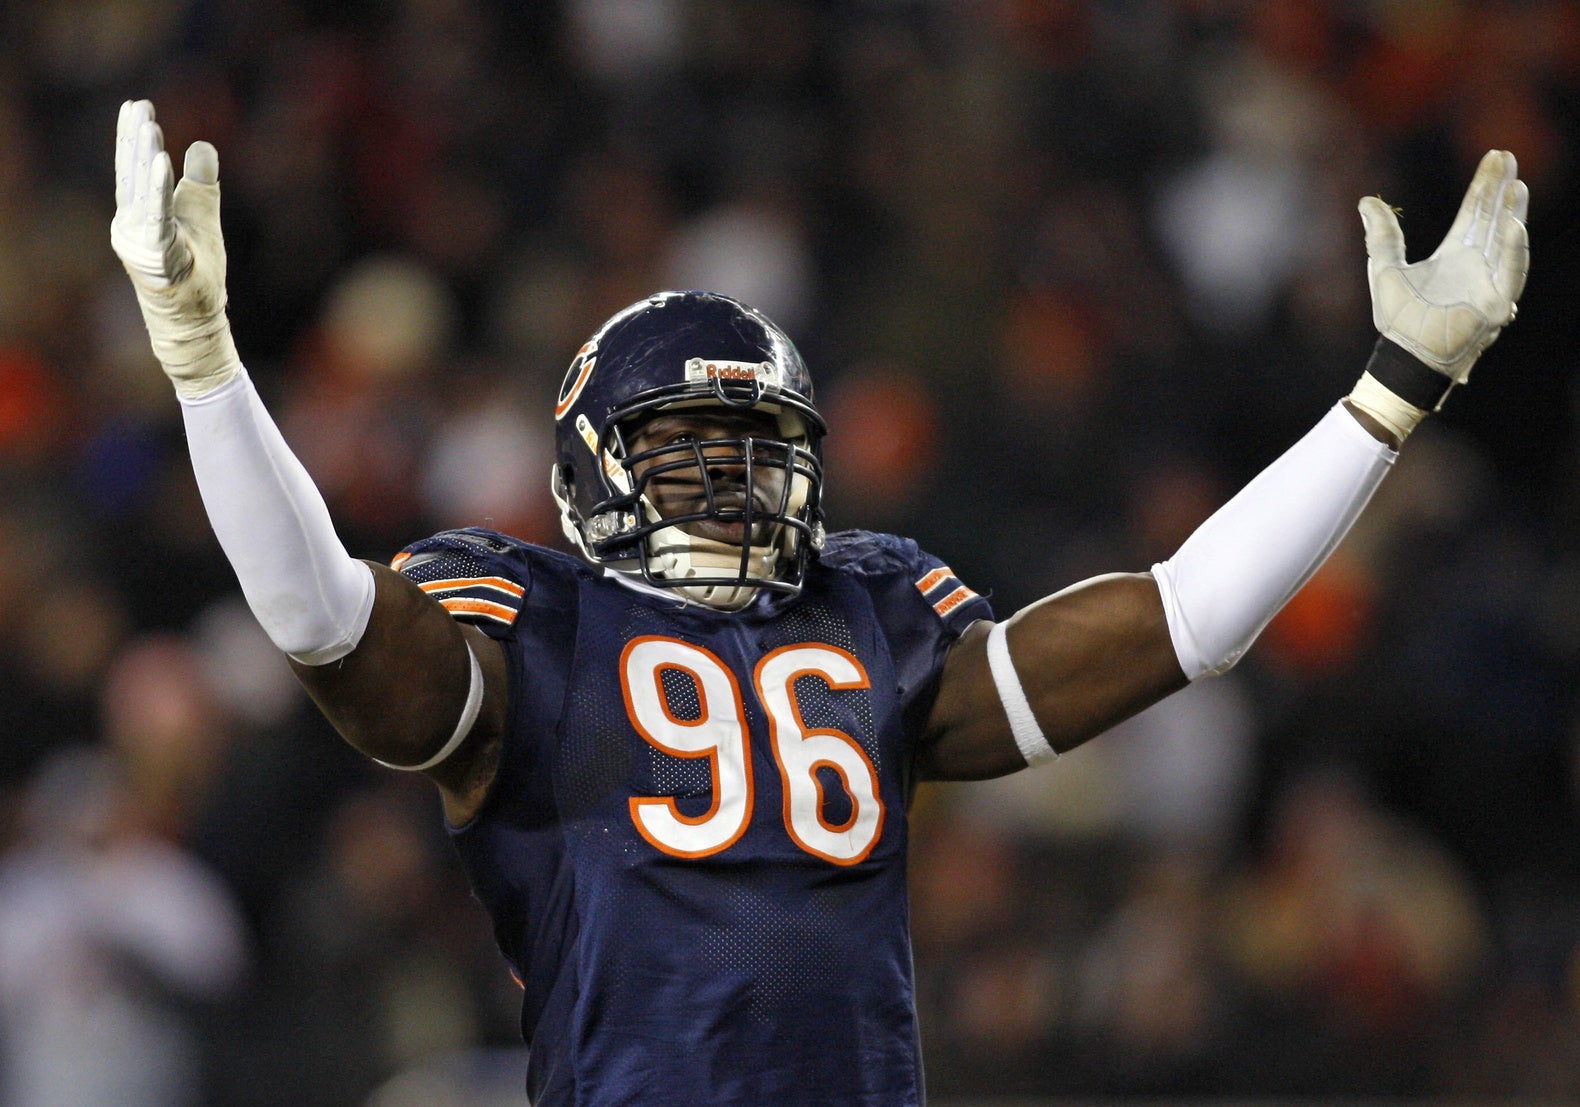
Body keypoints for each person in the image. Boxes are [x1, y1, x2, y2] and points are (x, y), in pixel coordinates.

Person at [110, 97, 1528, 1104]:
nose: (733, 489)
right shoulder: (532, 616)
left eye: (758, 454)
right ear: (591, 468)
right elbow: (321, 624)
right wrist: (205, 365)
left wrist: (1388, 397)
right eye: (686, 453)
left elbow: (1181, 622)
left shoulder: (872, 601)